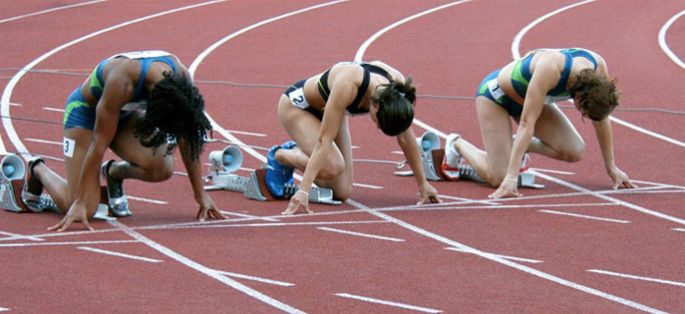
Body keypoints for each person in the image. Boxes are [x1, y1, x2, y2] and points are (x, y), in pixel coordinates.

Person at [21, 50, 225, 232]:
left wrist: (200, 194)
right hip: (85, 115)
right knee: (82, 207)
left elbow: (187, 137)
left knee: (161, 167)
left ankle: (113, 173)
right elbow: (98, 144)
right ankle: (38, 171)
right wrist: (81, 201)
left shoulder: (182, 80)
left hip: (124, 115)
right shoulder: (122, 81)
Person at [443, 48, 635, 199]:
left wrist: (612, 167)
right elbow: (527, 124)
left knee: (574, 150)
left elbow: (601, 120)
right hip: (495, 97)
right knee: (498, 177)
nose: (583, 115)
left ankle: (516, 148)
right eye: (583, 112)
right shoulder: (551, 69)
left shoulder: (598, 68)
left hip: (529, 101)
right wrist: (511, 177)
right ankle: (457, 144)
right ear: (578, 97)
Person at [267, 61, 441, 215]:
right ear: (375, 104)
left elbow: (405, 137)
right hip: (297, 108)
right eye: (378, 123)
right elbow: (323, 141)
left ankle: (306, 154)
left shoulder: (398, 93)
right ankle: (282, 155)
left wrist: (422, 183)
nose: (377, 127)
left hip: (333, 111)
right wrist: (303, 191)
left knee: (341, 192)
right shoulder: (348, 84)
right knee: (333, 166)